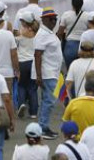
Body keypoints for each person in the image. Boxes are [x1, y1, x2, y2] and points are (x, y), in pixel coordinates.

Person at [33, 7, 63, 139]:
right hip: (47, 73)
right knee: (49, 101)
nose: (54, 21)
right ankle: (42, 128)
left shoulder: (49, 33)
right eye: (52, 19)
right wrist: (39, 76)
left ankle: (43, 127)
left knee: (47, 100)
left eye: (55, 19)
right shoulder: (42, 34)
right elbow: (37, 55)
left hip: (52, 72)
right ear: (44, 20)